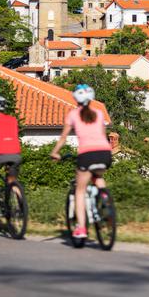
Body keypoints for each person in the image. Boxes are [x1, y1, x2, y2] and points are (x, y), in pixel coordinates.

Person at [50, 84, 112, 239]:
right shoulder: (99, 113)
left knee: (80, 190)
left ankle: (82, 228)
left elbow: (63, 138)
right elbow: (103, 136)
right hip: (105, 153)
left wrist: (55, 152)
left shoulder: (72, 114)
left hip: (87, 154)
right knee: (97, 177)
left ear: (76, 99)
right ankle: (106, 200)